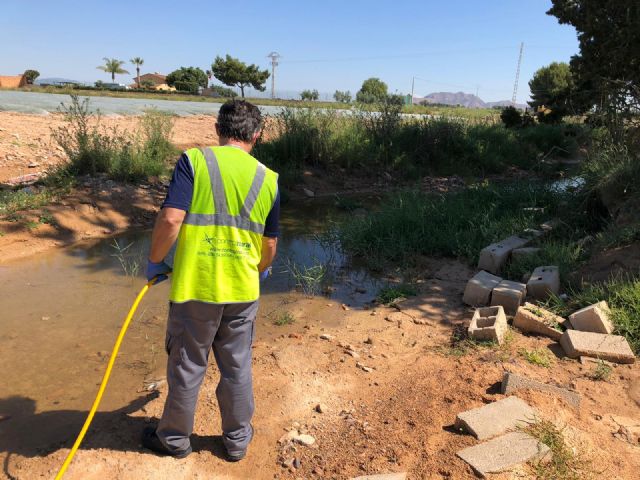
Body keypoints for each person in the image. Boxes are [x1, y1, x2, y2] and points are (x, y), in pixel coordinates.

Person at [141, 99, 280, 462]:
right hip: (242, 290)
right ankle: (236, 443)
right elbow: (270, 242)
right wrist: (261, 267)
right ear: (257, 135)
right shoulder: (269, 178)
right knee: (236, 368)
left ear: (218, 129)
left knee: (188, 366)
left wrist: (155, 261)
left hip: (196, 289)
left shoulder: (194, 162)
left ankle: (173, 441)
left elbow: (171, 220)